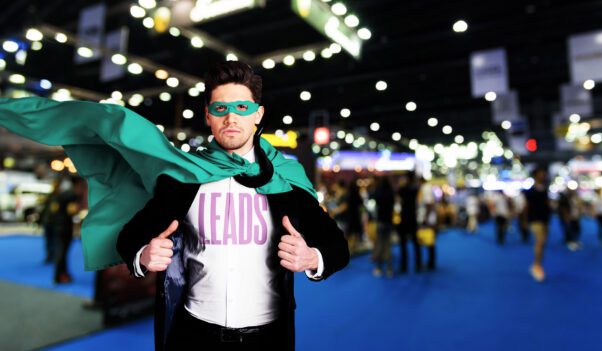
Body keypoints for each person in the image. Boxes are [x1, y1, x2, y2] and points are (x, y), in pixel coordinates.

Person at [115, 62, 349, 350]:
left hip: (268, 338)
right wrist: (143, 256)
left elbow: (338, 247)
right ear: (208, 116)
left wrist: (312, 258)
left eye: (241, 108)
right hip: (193, 334)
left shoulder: (286, 180)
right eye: (220, 109)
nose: (231, 118)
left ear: (257, 114)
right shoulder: (184, 177)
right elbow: (129, 238)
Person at [40, 176, 82, 284]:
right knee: (62, 252)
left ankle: (63, 274)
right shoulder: (72, 195)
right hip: (65, 227)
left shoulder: (62, 194)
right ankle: (58, 276)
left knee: (61, 251)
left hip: (58, 226)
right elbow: (72, 211)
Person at [523, 167, 551, 282]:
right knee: (540, 241)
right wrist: (524, 221)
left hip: (545, 220)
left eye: (543, 174)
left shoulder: (545, 190)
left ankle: (536, 264)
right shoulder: (529, 192)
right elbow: (526, 207)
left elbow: (547, 205)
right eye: (541, 174)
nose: (543, 176)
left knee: (542, 243)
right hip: (534, 220)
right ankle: (537, 266)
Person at [396, 171, 422, 273]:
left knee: (403, 244)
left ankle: (404, 266)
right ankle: (418, 265)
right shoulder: (415, 189)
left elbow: (398, 198)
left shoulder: (402, 189)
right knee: (416, 243)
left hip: (404, 218)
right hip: (413, 218)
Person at [371, 176, 395, 277]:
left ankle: (378, 268)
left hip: (380, 221)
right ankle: (389, 269)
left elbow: (371, 197)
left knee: (380, 245)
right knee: (388, 245)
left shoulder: (378, 193)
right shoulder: (391, 193)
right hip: (389, 222)